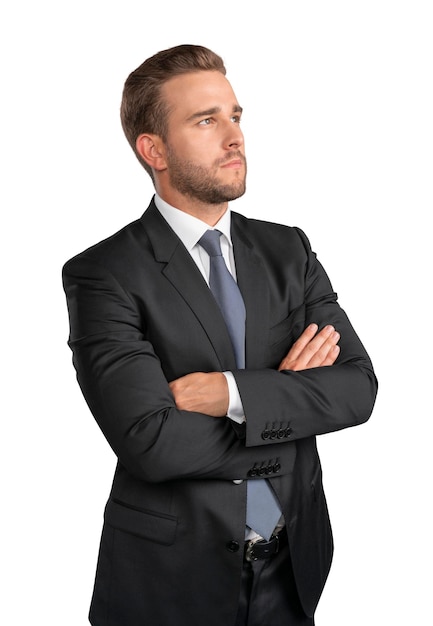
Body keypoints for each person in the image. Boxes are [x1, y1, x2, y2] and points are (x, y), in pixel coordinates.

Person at [62, 44, 378, 626]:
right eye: (206, 120)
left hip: (293, 565)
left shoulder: (290, 250)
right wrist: (286, 397)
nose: (234, 136)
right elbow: (150, 441)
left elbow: (358, 390)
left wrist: (232, 394)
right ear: (153, 149)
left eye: (235, 116)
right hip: (168, 583)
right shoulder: (104, 273)